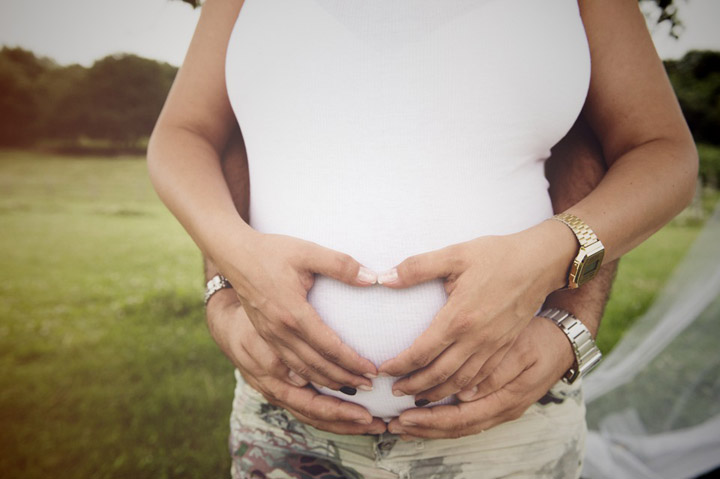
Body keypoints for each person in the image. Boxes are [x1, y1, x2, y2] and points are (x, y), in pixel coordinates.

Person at [147, 0, 698, 477]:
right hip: (285, 426)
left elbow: (660, 151)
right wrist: (228, 283)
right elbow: (186, 133)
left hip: (509, 426)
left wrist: (552, 277)